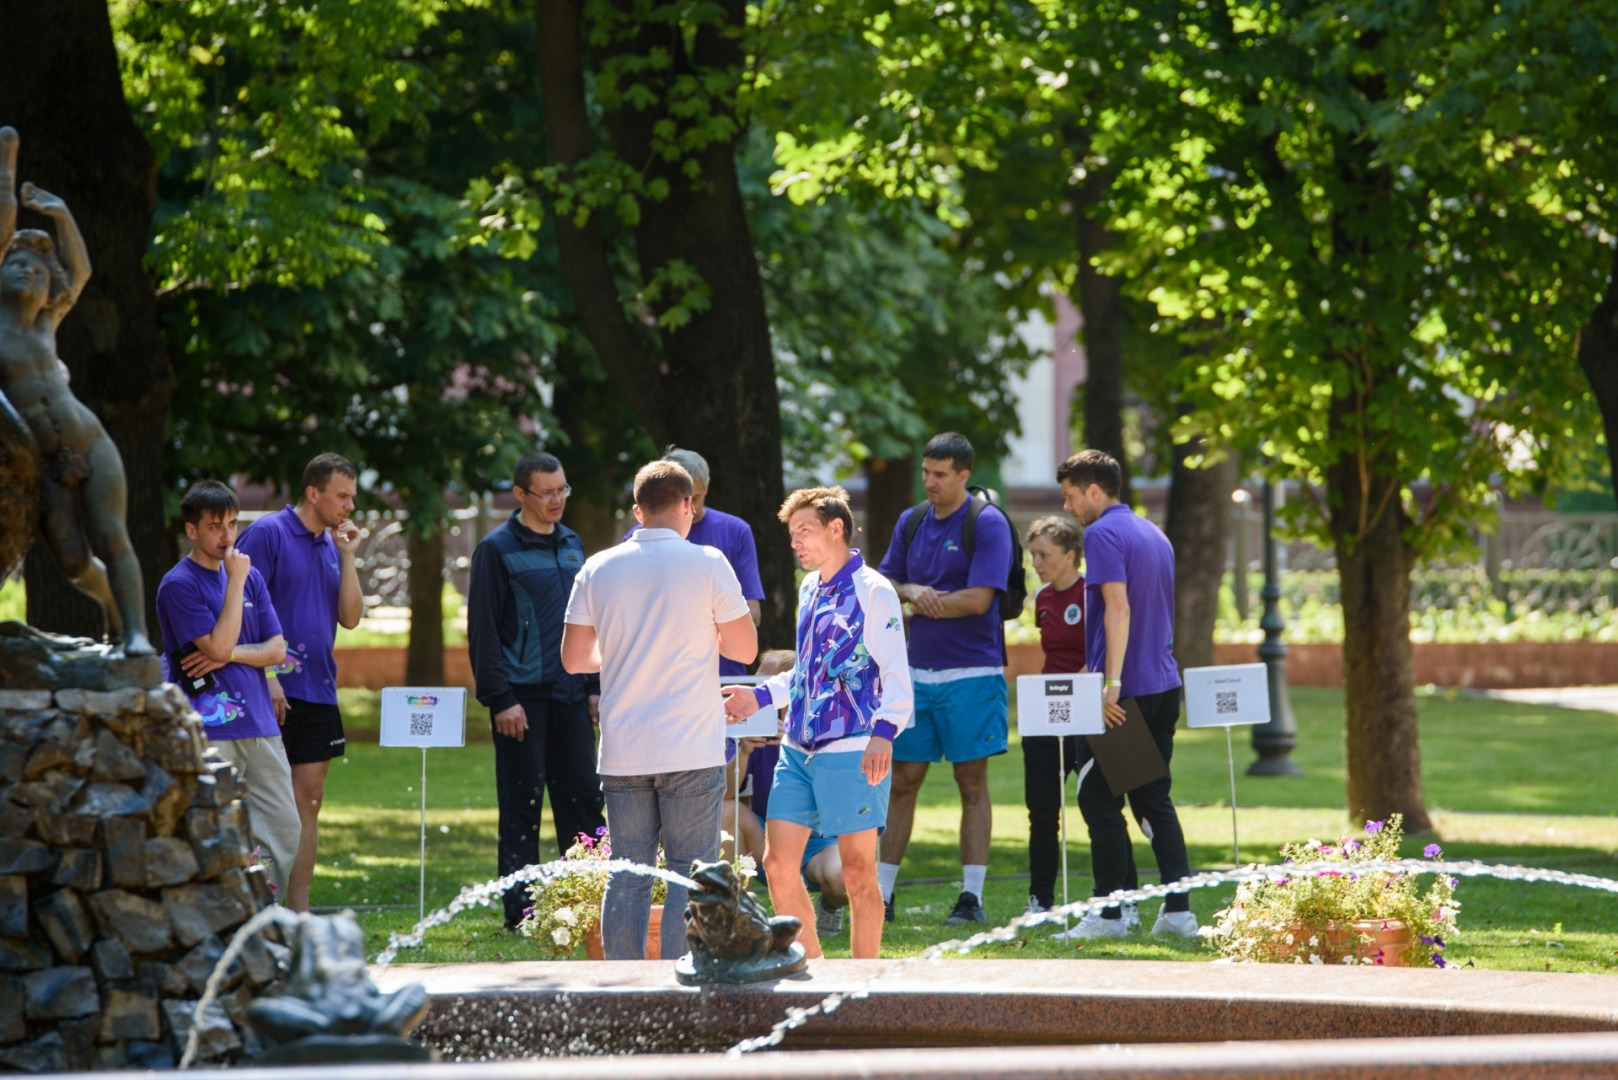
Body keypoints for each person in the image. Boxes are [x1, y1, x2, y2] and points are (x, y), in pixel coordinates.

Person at [562, 460, 757, 959]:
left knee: (625, 874)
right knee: (688, 874)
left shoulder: (598, 566)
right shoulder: (709, 561)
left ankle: (619, 990)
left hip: (625, 745)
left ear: (637, 511)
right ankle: (675, 988)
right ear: (688, 504)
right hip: (690, 742)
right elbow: (745, 647)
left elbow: (574, 658)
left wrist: (628, 649)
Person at [724, 486, 912, 959]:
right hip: (797, 748)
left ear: (836, 529)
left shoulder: (874, 589)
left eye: (803, 531)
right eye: (792, 534)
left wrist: (883, 735)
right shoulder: (811, 588)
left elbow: (896, 673)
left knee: (856, 871)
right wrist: (761, 695)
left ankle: (863, 981)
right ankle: (817, 971)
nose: (795, 542)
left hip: (853, 748)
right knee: (777, 862)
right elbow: (808, 670)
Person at [0, 126, 152, 655]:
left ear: (48, 286)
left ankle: (134, 634)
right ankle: (110, 608)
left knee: (113, 535)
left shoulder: (46, 323)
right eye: (16, 265)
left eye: (37, 270)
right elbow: (2, 227)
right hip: (43, 462)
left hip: (89, 440)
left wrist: (60, 212)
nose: (26, 273)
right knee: (71, 561)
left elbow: (81, 271)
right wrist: (7, 160)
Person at [1058, 449, 1197, 938]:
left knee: (1097, 798)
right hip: (1163, 684)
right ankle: (1178, 912)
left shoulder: (1102, 534)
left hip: (1128, 692)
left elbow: (1118, 610)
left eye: (1072, 497)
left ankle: (1110, 914)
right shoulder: (1153, 533)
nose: (1069, 508)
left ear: (1094, 491)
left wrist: (1110, 685)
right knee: (1153, 799)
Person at [876, 433, 1013, 925]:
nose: (930, 482)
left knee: (971, 782)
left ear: (963, 476)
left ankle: (971, 897)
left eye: (940, 474)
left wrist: (924, 602)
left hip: (973, 671)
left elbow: (979, 600)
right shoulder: (910, 521)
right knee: (903, 781)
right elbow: (884, 584)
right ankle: (882, 895)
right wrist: (913, 590)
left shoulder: (987, 523)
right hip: (914, 672)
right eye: (926, 472)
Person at [468, 451, 607, 931]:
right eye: (546, 492)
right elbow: (483, 631)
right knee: (522, 808)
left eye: (562, 489)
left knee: (586, 802)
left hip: (572, 696)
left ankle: (587, 905)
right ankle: (521, 915)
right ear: (521, 494)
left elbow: (586, 621)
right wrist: (500, 698)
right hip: (520, 702)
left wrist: (592, 685)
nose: (557, 500)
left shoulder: (572, 545)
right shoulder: (496, 549)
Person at [156, 480, 300, 894]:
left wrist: (230, 654)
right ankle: (221, 920)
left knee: (284, 830)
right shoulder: (179, 585)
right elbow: (214, 644)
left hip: (261, 724)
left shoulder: (250, 576)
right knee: (212, 832)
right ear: (192, 530)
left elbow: (277, 650)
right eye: (216, 526)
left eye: (233, 524)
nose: (227, 536)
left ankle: (263, 915)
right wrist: (234, 585)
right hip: (209, 729)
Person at [236, 453, 364, 913]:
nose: (350, 506)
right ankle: (257, 909)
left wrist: (348, 557)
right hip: (267, 691)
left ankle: (299, 915)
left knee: (307, 801)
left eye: (352, 496)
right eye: (342, 496)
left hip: (318, 689)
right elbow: (242, 609)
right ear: (314, 493)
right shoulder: (268, 533)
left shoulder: (333, 544)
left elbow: (350, 618)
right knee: (264, 801)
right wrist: (267, 676)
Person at [724, 650, 846, 938]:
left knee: (843, 880)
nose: (758, 693)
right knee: (729, 811)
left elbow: (838, 799)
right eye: (757, 684)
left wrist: (797, 746)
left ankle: (831, 904)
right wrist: (744, 750)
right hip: (767, 836)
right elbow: (726, 795)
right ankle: (739, 914)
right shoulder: (750, 727)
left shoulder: (825, 722)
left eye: (768, 684)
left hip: (818, 840)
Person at [627, 447, 764, 677]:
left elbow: (754, 613)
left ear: (707, 486)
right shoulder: (636, 539)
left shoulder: (735, 531)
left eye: (696, 498)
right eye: (681, 499)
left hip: (723, 675)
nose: (688, 508)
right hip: (659, 676)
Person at [1022, 515, 1092, 917]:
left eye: (1044, 555)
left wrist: (1081, 688)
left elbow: (1097, 654)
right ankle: (1040, 899)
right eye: (1033, 555)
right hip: (1046, 711)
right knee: (1042, 810)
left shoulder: (1091, 594)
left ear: (1070, 555)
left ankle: (1119, 897)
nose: (1037, 563)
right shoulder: (1044, 599)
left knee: (1099, 806)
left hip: (1085, 711)